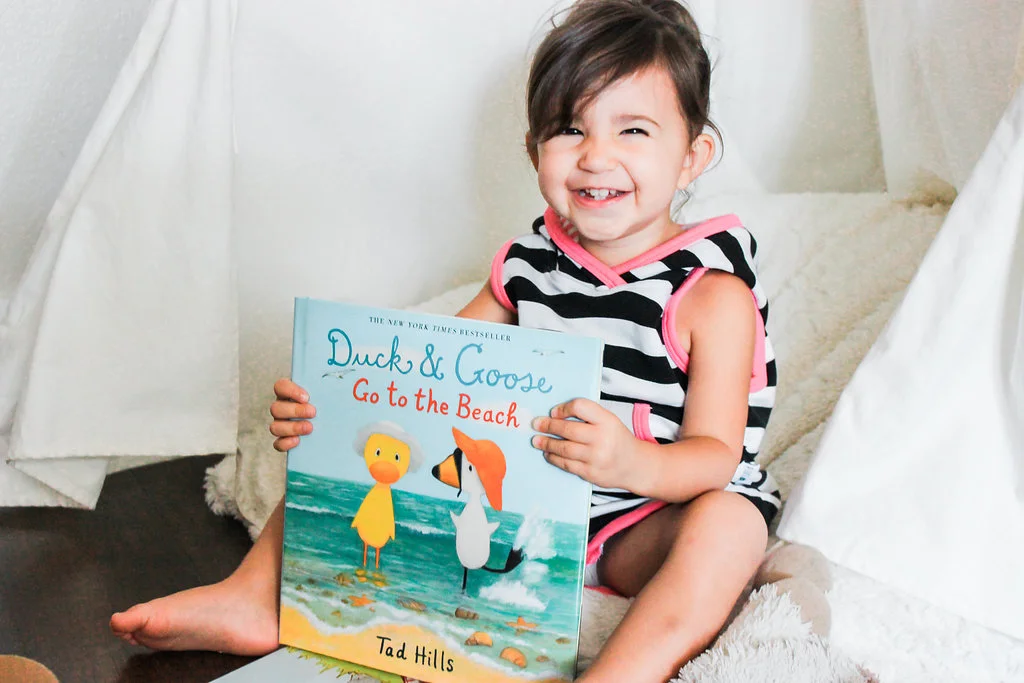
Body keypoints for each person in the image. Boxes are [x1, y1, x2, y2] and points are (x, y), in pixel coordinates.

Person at [110, 1, 782, 680]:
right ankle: (254, 593)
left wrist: (632, 463)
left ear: (692, 157)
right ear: (534, 150)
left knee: (729, 525)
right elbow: (423, 375)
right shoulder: (527, 268)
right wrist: (331, 406)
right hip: (532, 509)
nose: (596, 155)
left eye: (633, 129)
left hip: (643, 522)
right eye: (570, 128)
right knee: (372, 438)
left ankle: (622, 672)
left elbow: (714, 455)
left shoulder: (711, 296)